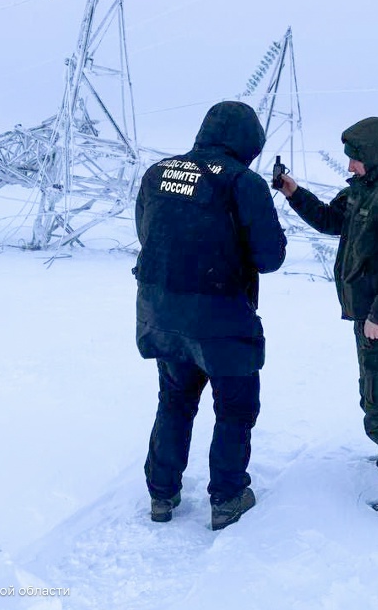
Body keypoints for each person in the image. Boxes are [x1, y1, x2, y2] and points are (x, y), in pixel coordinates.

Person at [133, 100, 287, 530]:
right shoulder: (243, 183)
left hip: (161, 312)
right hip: (221, 320)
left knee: (175, 400)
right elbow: (269, 257)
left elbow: (147, 232)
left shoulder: (158, 172)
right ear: (247, 142)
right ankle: (228, 497)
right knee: (235, 408)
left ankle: (161, 496)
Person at [276, 116, 378, 521]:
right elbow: (330, 220)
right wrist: (293, 192)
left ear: (376, 155)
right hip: (369, 319)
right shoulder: (365, 190)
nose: (349, 167)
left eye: (355, 159)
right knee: (372, 394)